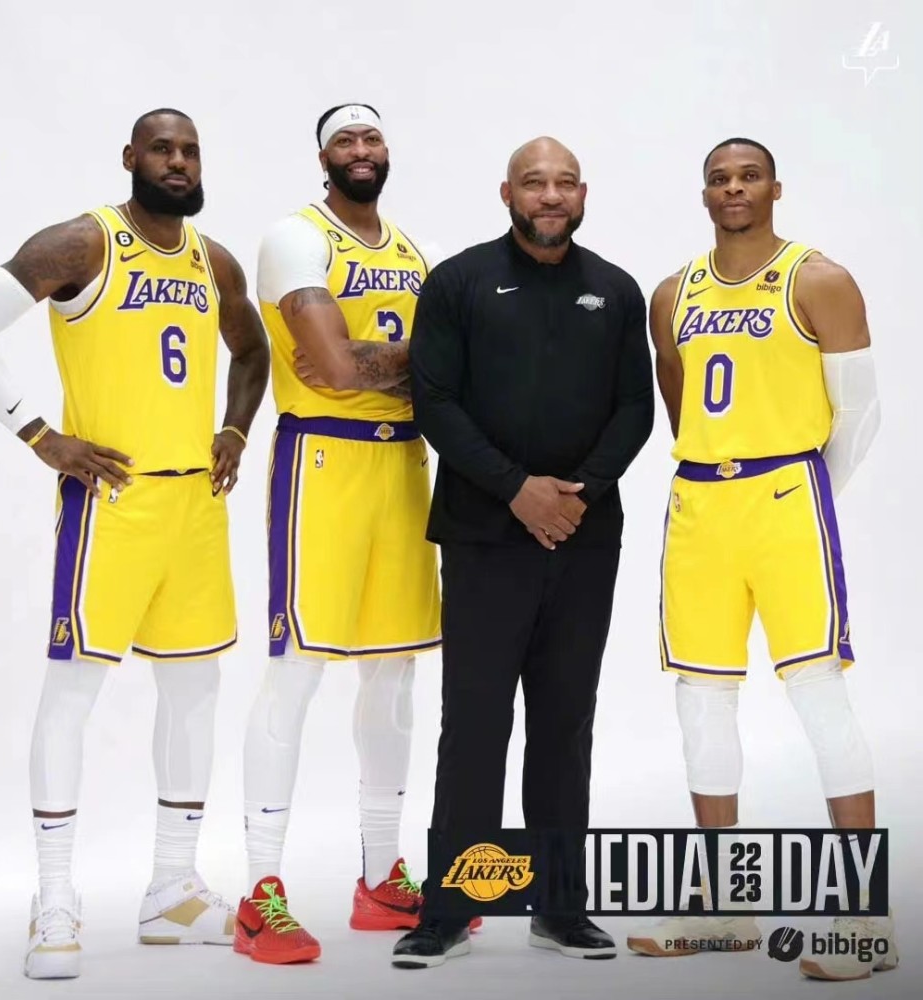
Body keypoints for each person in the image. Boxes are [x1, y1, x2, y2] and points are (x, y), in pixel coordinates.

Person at [0, 109, 270, 980]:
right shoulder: (84, 243)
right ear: (130, 158)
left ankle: (172, 890)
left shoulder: (213, 260)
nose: (179, 161)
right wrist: (38, 433)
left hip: (194, 508)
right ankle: (54, 897)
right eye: (162, 148)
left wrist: (235, 429)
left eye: (191, 150)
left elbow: (252, 349)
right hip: (112, 503)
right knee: (73, 692)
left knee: (195, 688)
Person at [625, 137, 897, 982]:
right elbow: (679, 403)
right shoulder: (672, 293)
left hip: (787, 498)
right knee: (701, 698)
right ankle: (723, 904)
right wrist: (724, 478)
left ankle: (864, 919)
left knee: (818, 692)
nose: (734, 187)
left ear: (776, 188)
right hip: (700, 505)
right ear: (704, 194)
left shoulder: (818, 279)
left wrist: (806, 494)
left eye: (749, 176)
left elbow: (861, 414)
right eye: (720, 178)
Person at [391, 137, 654, 969]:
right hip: (483, 535)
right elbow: (435, 400)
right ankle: (451, 908)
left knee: (565, 720)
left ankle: (559, 906)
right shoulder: (460, 282)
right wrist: (516, 489)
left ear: (584, 194)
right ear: (507, 192)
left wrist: (578, 494)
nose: (550, 195)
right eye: (534, 182)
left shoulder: (615, 290)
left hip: (584, 535)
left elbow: (636, 408)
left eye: (564, 182)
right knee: (475, 720)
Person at [234, 103, 442, 965]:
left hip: (404, 466)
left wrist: (380, 365)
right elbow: (329, 366)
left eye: (372, 137)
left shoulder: (410, 250)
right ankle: (259, 894)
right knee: (297, 670)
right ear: (323, 157)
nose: (361, 150)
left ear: (387, 150)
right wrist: (424, 363)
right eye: (345, 140)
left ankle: (381, 876)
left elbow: (380, 367)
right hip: (322, 462)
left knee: (394, 674)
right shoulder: (297, 236)